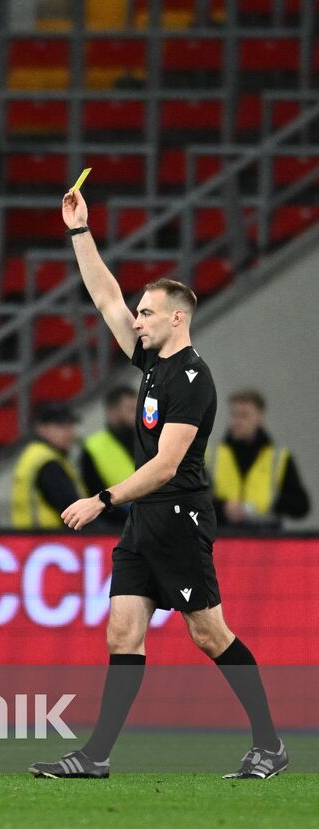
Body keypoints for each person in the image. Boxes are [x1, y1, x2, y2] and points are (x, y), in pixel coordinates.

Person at [31, 189, 286, 780]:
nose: (135, 319)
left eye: (146, 312)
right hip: (147, 519)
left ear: (177, 317)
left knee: (208, 632)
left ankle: (269, 744)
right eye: (138, 311)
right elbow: (103, 296)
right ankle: (94, 757)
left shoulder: (192, 380)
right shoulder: (152, 364)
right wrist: (80, 232)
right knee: (122, 632)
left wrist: (102, 500)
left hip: (178, 516)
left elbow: (167, 466)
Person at [210, 388, 310, 528]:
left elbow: (301, 506)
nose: (237, 421)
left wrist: (266, 502)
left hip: (265, 539)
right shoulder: (212, 455)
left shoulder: (278, 458)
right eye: (234, 415)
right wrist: (223, 507)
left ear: (260, 417)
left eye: (244, 415)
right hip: (223, 538)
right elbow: (195, 497)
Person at [10, 403, 86, 529]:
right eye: (60, 426)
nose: (69, 433)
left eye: (71, 426)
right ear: (41, 429)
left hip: (35, 541)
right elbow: (73, 512)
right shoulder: (48, 463)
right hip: (52, 539)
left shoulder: (34, 455)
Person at [79, 385, 138, 527]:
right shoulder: (93, 447)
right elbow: (93, 493)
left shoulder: (150, 440)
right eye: (130, 410)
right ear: (112, 412)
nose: (137, 414)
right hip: (118, 526)